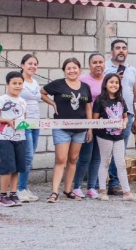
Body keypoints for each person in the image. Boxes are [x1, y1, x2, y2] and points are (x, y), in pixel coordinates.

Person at [41, 57, 93, 203]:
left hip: (80, 128)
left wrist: (90, 128)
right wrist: (53, 104)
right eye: (69, 68)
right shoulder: (58, 84)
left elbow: (88, 107)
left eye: (74, 68)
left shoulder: (85, 87)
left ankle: (68, 190)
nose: (72, 70)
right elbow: (42, 92)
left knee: (73, 159)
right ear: (64, 70)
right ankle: (54, 192)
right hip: (61, 127)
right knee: (61, 159)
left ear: (79, 69)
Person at [94, 73, 136, 202]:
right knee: (105, 161)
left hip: (118, 136)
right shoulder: (99, 100)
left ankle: (127, 193)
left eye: (116, 82)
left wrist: (125, 123)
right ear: (105, 84)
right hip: (104, 136)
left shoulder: (121, 100)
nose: (114, 85)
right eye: (111, 82)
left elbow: (125, 116)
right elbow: (94, 119)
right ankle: (102, 191)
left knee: (120, 163)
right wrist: (99, 123)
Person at [104, 39, 136, 196]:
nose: (121, 51)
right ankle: (95, 184)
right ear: (112, 51)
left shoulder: (132, 70)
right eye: (117, 48)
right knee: (104, 150)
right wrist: (113, 78)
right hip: (107, 115)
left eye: (124, 48)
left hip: (127, 116)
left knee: (120, 150)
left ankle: (114, 183)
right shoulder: (104, 67)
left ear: (127, 51)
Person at [17, 54, 54, 203]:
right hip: (24, 123)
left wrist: (53, 103)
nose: (33, 66)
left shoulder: (34, 82)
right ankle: (20, 189)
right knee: (27, 156)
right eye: (29, 63)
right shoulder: (19, 81)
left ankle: (24, 187)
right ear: (22, 65)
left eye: (35, 64)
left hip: (35, 123)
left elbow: (40, 96)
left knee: (30, 156)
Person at [0, 71, 28, 207]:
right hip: (5, 138)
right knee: (7, 167)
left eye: (20, 83)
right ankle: (2, 195)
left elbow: (25, 119)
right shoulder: (2, 99)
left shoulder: (23, 101)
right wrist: (6, 120)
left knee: (17, 167)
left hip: (20, 138)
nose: (17, 86)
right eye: (14, 83)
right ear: (7, 84)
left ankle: (13, 193)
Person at [72, 53, 105, 199]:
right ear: (89, 65)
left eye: (101, 62)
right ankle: (76, 186)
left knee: (97, 157)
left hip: (103, 124)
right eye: (94, 62)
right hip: (87, 123)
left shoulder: (109, 79)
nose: (98, 65)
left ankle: (92, 187)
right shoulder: (82, 80)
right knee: (85, 156)